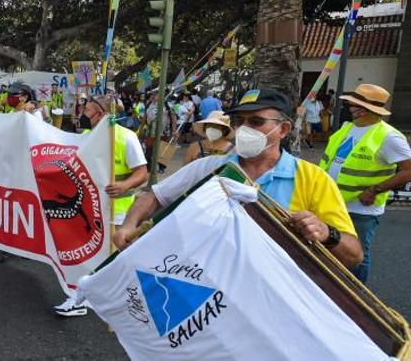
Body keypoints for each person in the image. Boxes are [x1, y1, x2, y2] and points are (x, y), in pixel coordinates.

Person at [115, 89, 363, 270]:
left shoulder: (312, 179)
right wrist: (129, 225)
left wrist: (326, 233)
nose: (244, 129)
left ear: (284, 129)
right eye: (239, 121)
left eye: (256, 121)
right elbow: (154, 196)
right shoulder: (208, 168)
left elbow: (354, 256)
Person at [53, 94, 149, 317]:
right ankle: (79, 298)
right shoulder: (87, 136)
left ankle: (124, 301)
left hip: (118, 210)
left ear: (104, 114)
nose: (83, 114)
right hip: (90, 208)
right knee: (90, 257)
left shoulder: (126, 137)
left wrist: (125, 185)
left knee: (115, 259)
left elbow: (143, 173)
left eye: (88, 111)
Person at [320, 84, 411, 283]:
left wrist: (375, 190)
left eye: (352, 103)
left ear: (363, 109)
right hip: (334, 202)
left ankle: (357, 296)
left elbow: (408, 170)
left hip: (361, 209)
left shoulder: (390, 137)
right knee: (334, 249)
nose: (349, 106)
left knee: (357, 253)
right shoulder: (348, 128)